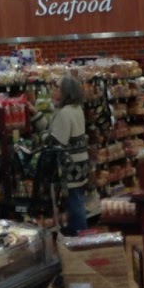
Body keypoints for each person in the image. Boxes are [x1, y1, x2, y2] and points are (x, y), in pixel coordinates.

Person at [48, 76, 92, 237]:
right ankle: (81, 234)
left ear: (65, 91)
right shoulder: (77, 108)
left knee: (74, 203)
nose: (54, 90)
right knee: (78, 199)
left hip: (70, 164)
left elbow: (58, 140)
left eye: (58, 87)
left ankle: (80, 237)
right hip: (81, 161)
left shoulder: (64, 113)